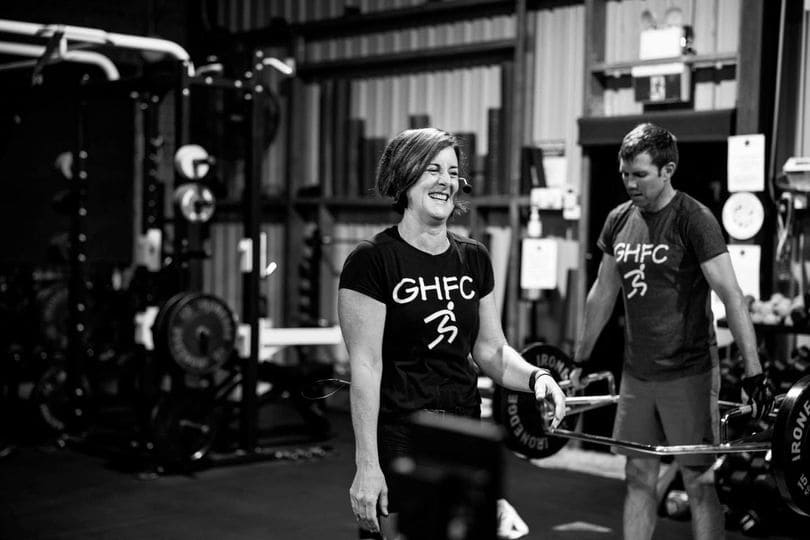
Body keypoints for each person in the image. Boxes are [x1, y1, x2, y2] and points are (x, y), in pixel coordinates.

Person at [338, 127, 567, 539]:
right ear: (405, 176)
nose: (446, 181)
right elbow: (366, 368)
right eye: (432, 169)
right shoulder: (371, 261)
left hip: (465, 430)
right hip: (401, 434)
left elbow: (493, 351)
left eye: (453, 171)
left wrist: (538, 377)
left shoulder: (473, 258)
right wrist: (367, 465)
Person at [571, 123, 771, 540]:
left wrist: (754, 374)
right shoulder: (618, 220)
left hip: (690, 373)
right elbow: (602, 294)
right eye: (624, 174)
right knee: (638, 479)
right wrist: (579, 359)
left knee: (699, 484)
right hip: (637, 374)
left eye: (640, 174)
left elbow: (732, 296)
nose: (629, 184)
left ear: (668, 170)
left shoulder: (693, 219)